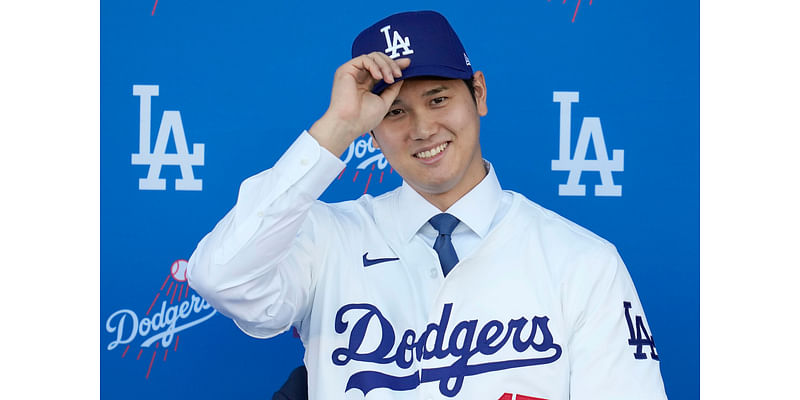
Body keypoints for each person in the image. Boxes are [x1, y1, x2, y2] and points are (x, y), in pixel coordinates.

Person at [188, 10, 668, 400]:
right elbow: (221, 276)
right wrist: (335, 127)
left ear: (477, 93)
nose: (421, 129)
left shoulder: (582, 261)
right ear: (370, 130)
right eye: (395, 111)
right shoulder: (326, 238)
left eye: (438, 99)